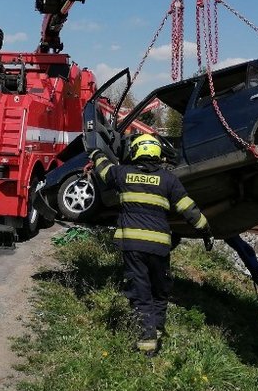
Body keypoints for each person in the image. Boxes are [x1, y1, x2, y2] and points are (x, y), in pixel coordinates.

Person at [89, 133, 212, 356]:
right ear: (157, 153)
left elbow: (104, 169)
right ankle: (156, 330)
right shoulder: (168, 179)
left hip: (133, 247)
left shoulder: (124, 174)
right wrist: (206, 231)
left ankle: (146, 344)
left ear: (135, 152)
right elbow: (189, 209)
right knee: (160, 291)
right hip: (159, 248)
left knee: (140, 291)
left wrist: (96, 152)